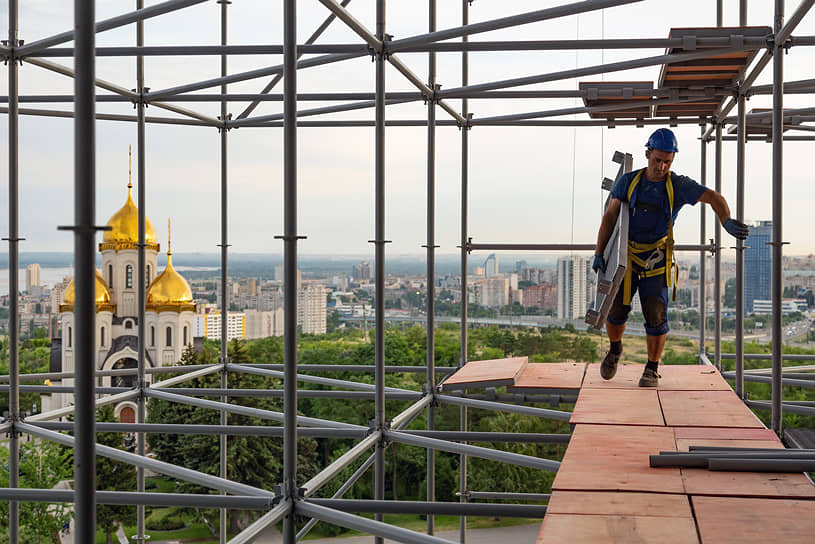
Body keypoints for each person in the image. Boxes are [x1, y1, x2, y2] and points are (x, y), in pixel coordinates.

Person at [593, 128, 748, 387]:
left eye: (667, 161)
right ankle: (615, 349)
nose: (662, 166)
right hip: (627, 258)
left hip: (656, 261)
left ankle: (652, 368)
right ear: (647, 154)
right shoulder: (629, 182)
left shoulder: (678, 185)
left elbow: (713, 197)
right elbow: (610, 217)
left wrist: (726, 220)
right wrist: (599, 252)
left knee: (656, 316)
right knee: (615, 309)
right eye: (657, 160)